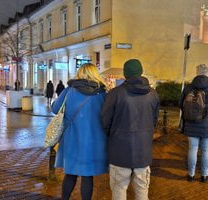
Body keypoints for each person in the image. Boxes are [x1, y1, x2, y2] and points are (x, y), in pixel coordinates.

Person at [101, 59, 159, 200]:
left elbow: (105, 120)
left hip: (119, 150)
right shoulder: (153, 94)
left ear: (126, 74)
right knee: (142, 189)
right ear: (140, 72)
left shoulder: (115, 93)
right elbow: (154, 121)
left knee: (119, 188)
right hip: (143, 151)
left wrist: (113, 134)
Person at [51, 63, 108, 200]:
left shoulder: (69, 91)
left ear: (79, 73)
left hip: (72, 140)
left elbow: (55, 109)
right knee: (88, 176)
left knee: (70, 174)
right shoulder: (103, 94)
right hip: (94, 142)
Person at [179, 64, 208, 183]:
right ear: (207, 72)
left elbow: (181, 104)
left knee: (192, 149)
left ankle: (191, 175)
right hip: (207, 122)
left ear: (196, 72)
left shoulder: (188, 87)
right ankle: (204, 175)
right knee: (206, 149)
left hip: (191, 122)